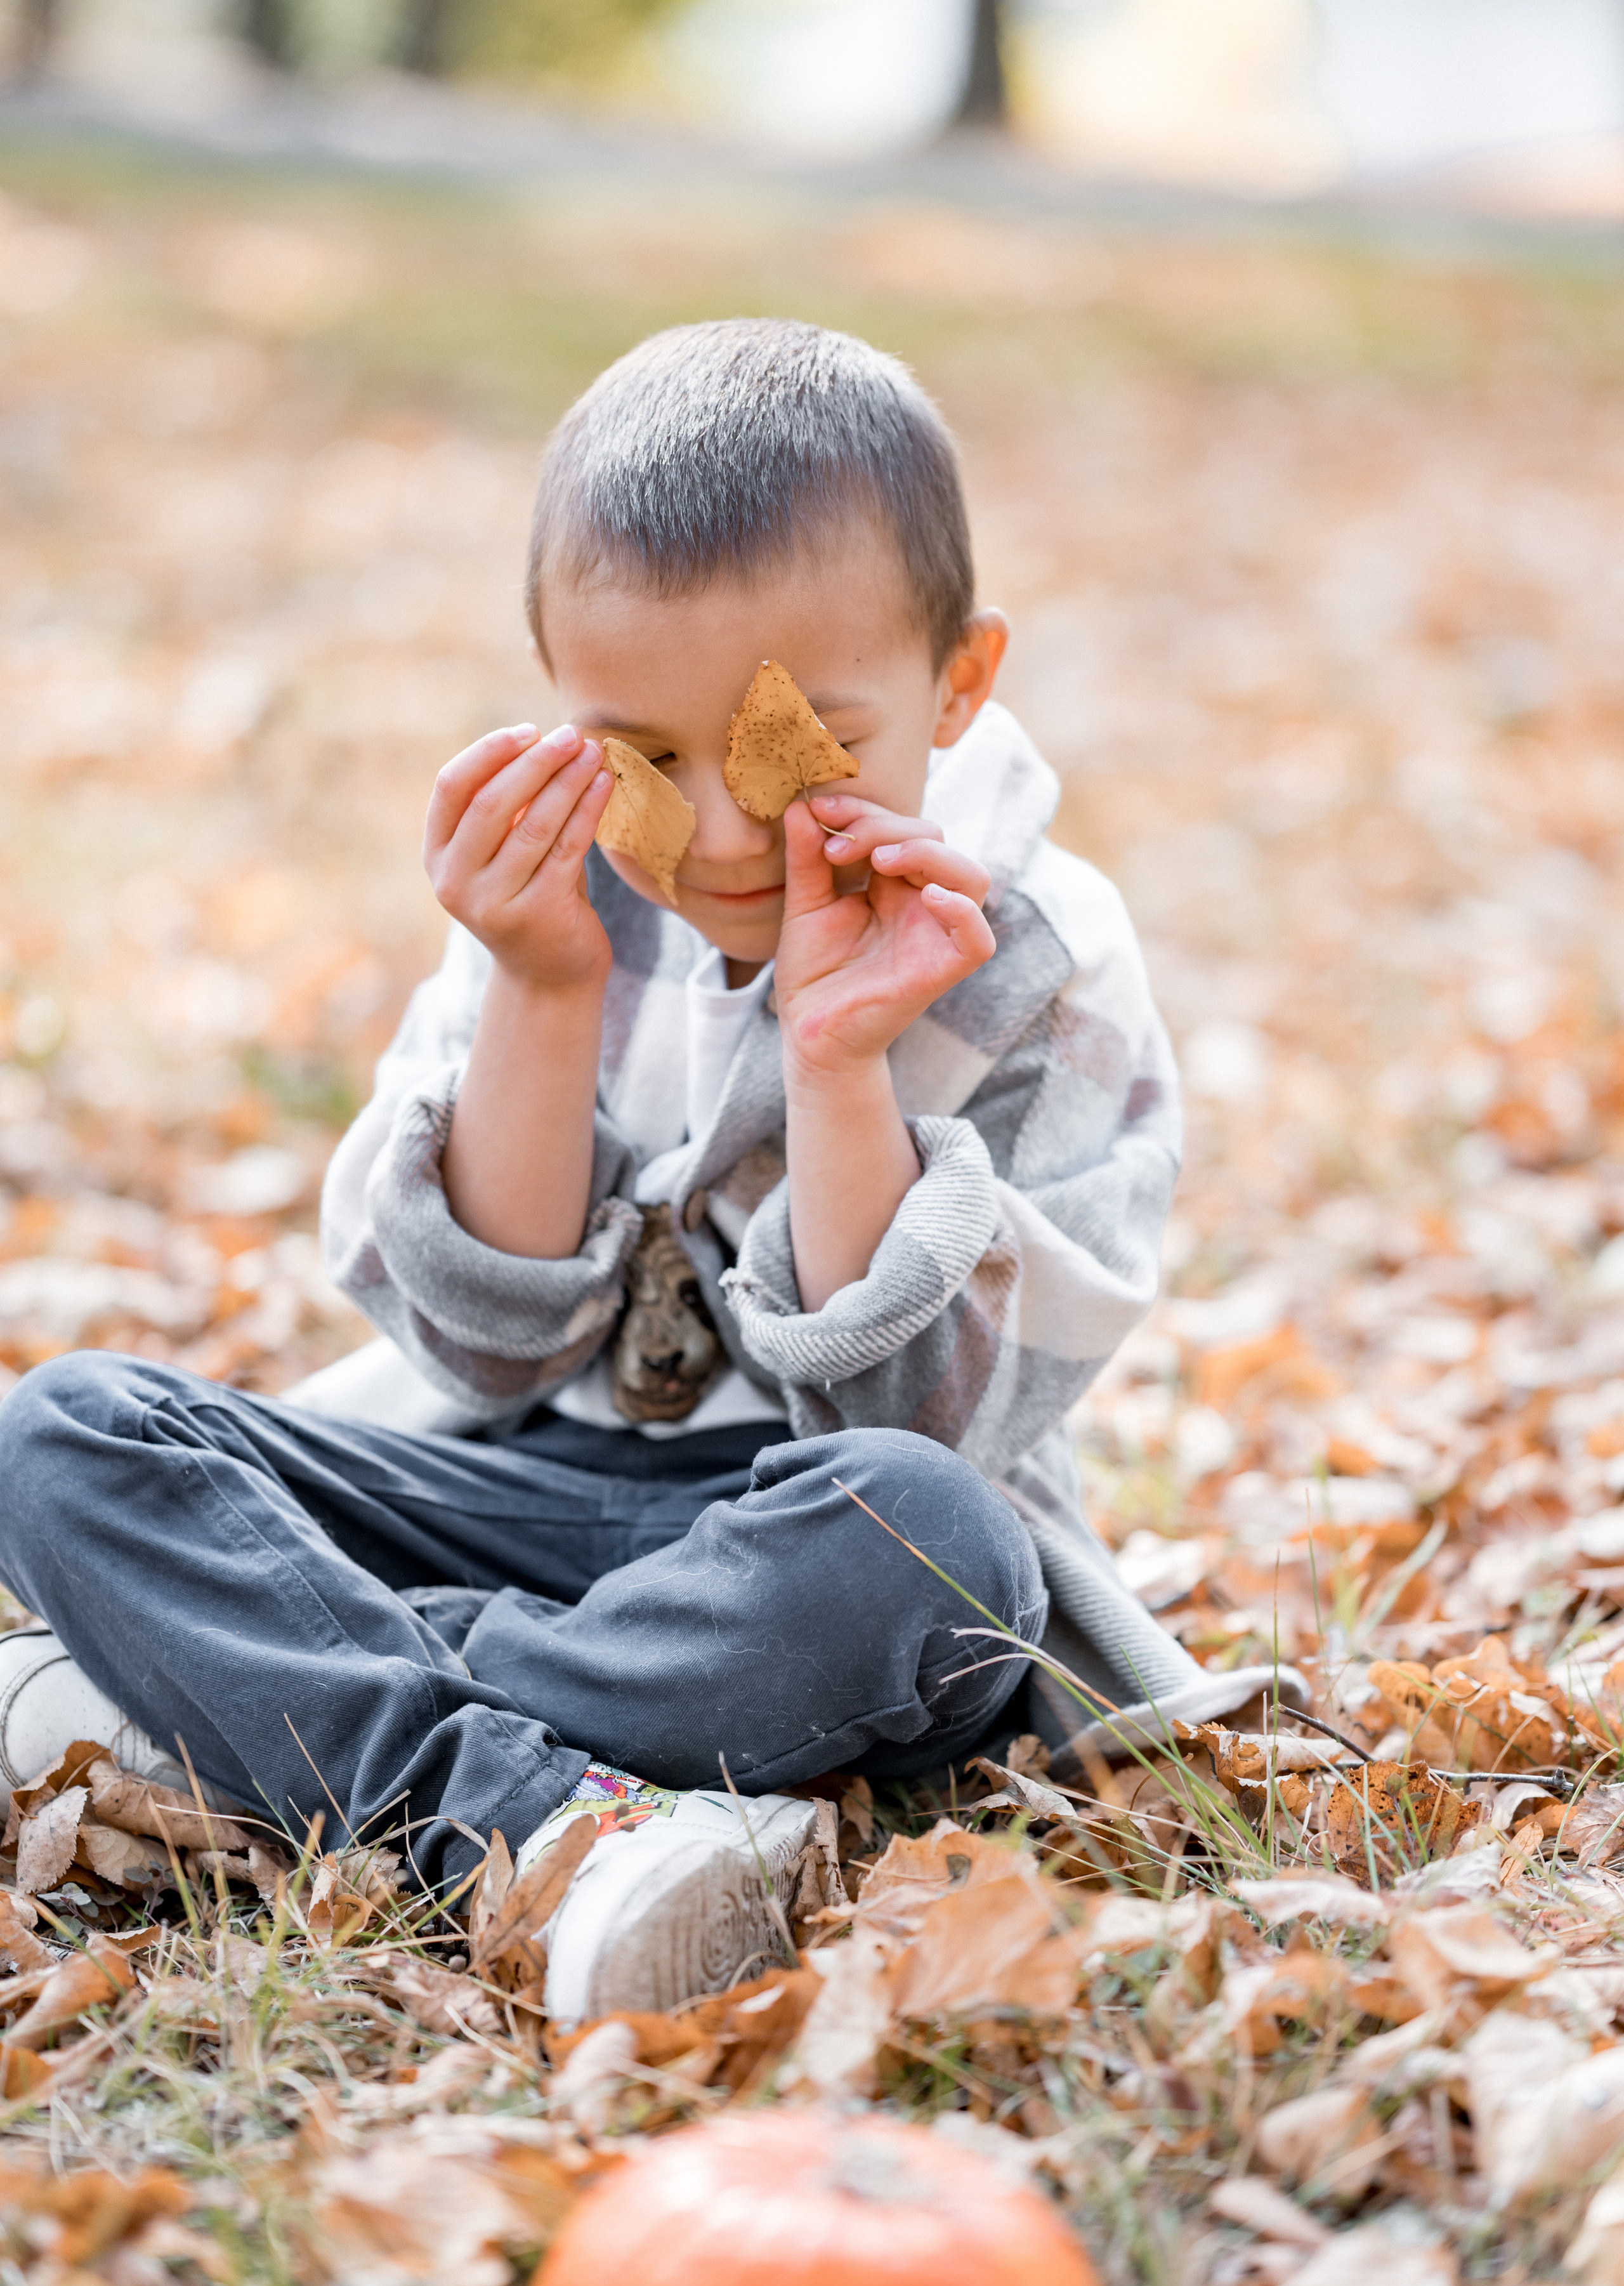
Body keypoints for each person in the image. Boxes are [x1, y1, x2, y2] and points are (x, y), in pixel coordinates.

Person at [0, 320, 1299, 2021]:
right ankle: (526, 1816)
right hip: (504, 1488)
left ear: (960, 684)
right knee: (68, 1430)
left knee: (937, 1550)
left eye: (795, 746)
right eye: (648, 757)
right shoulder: (567, 897)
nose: (727, 833)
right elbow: (480, 1356)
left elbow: (926, 1431)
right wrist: (544, 992)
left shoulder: (1038, 961)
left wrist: (841, 1066)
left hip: (792, 1546)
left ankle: (267, 1700)